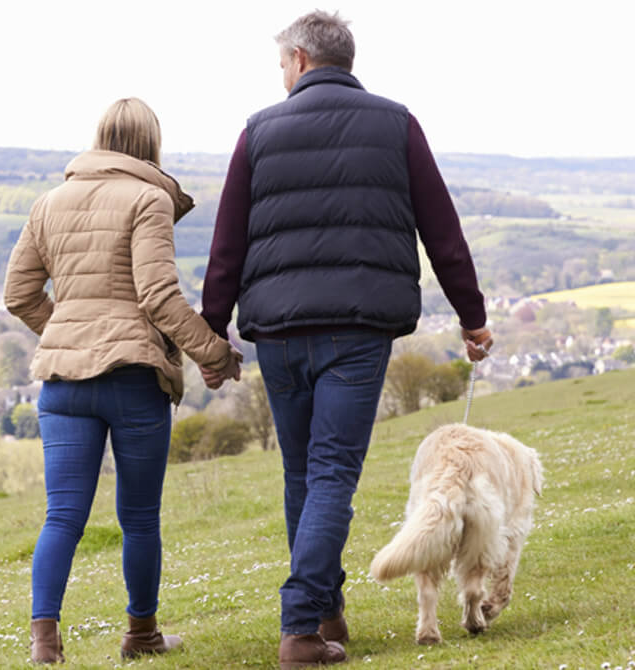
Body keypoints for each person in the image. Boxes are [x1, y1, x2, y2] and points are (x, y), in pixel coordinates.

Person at [198, 11, 494, 668]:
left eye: (281, 65)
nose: (280, 77)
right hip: (358, 330)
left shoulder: (258, 132)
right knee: (330, 472)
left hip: (276, 330)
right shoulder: (397, 124)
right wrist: (472, 317)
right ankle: (304, 626)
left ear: (300, 59)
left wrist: (211, 328)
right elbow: (442, 230)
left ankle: (324, 612)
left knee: (304, 473)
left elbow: (227, 243)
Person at [4, 97, 243, 664]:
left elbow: (18, 295)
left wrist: (68, 332)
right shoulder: (148, 198)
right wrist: (214, 353)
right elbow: (157, 296)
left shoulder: (50, 202)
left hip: (63, 383)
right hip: (133, 380)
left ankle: (44, 640)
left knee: (62, 514)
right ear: (151, 146)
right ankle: (141, 635)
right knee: (137, 516)